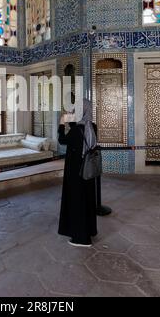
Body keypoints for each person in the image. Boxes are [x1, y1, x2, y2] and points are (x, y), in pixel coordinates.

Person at [58, 99, 98, 248]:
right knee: (87, 202)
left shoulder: (76, 131)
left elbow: (62, 140)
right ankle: (89, 232)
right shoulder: (92, 126)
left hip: (76, 174)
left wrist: (62, 123)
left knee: (77, 203)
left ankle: (81, 238)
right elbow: (79, 131)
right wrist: (71, 119)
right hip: (88, 173)